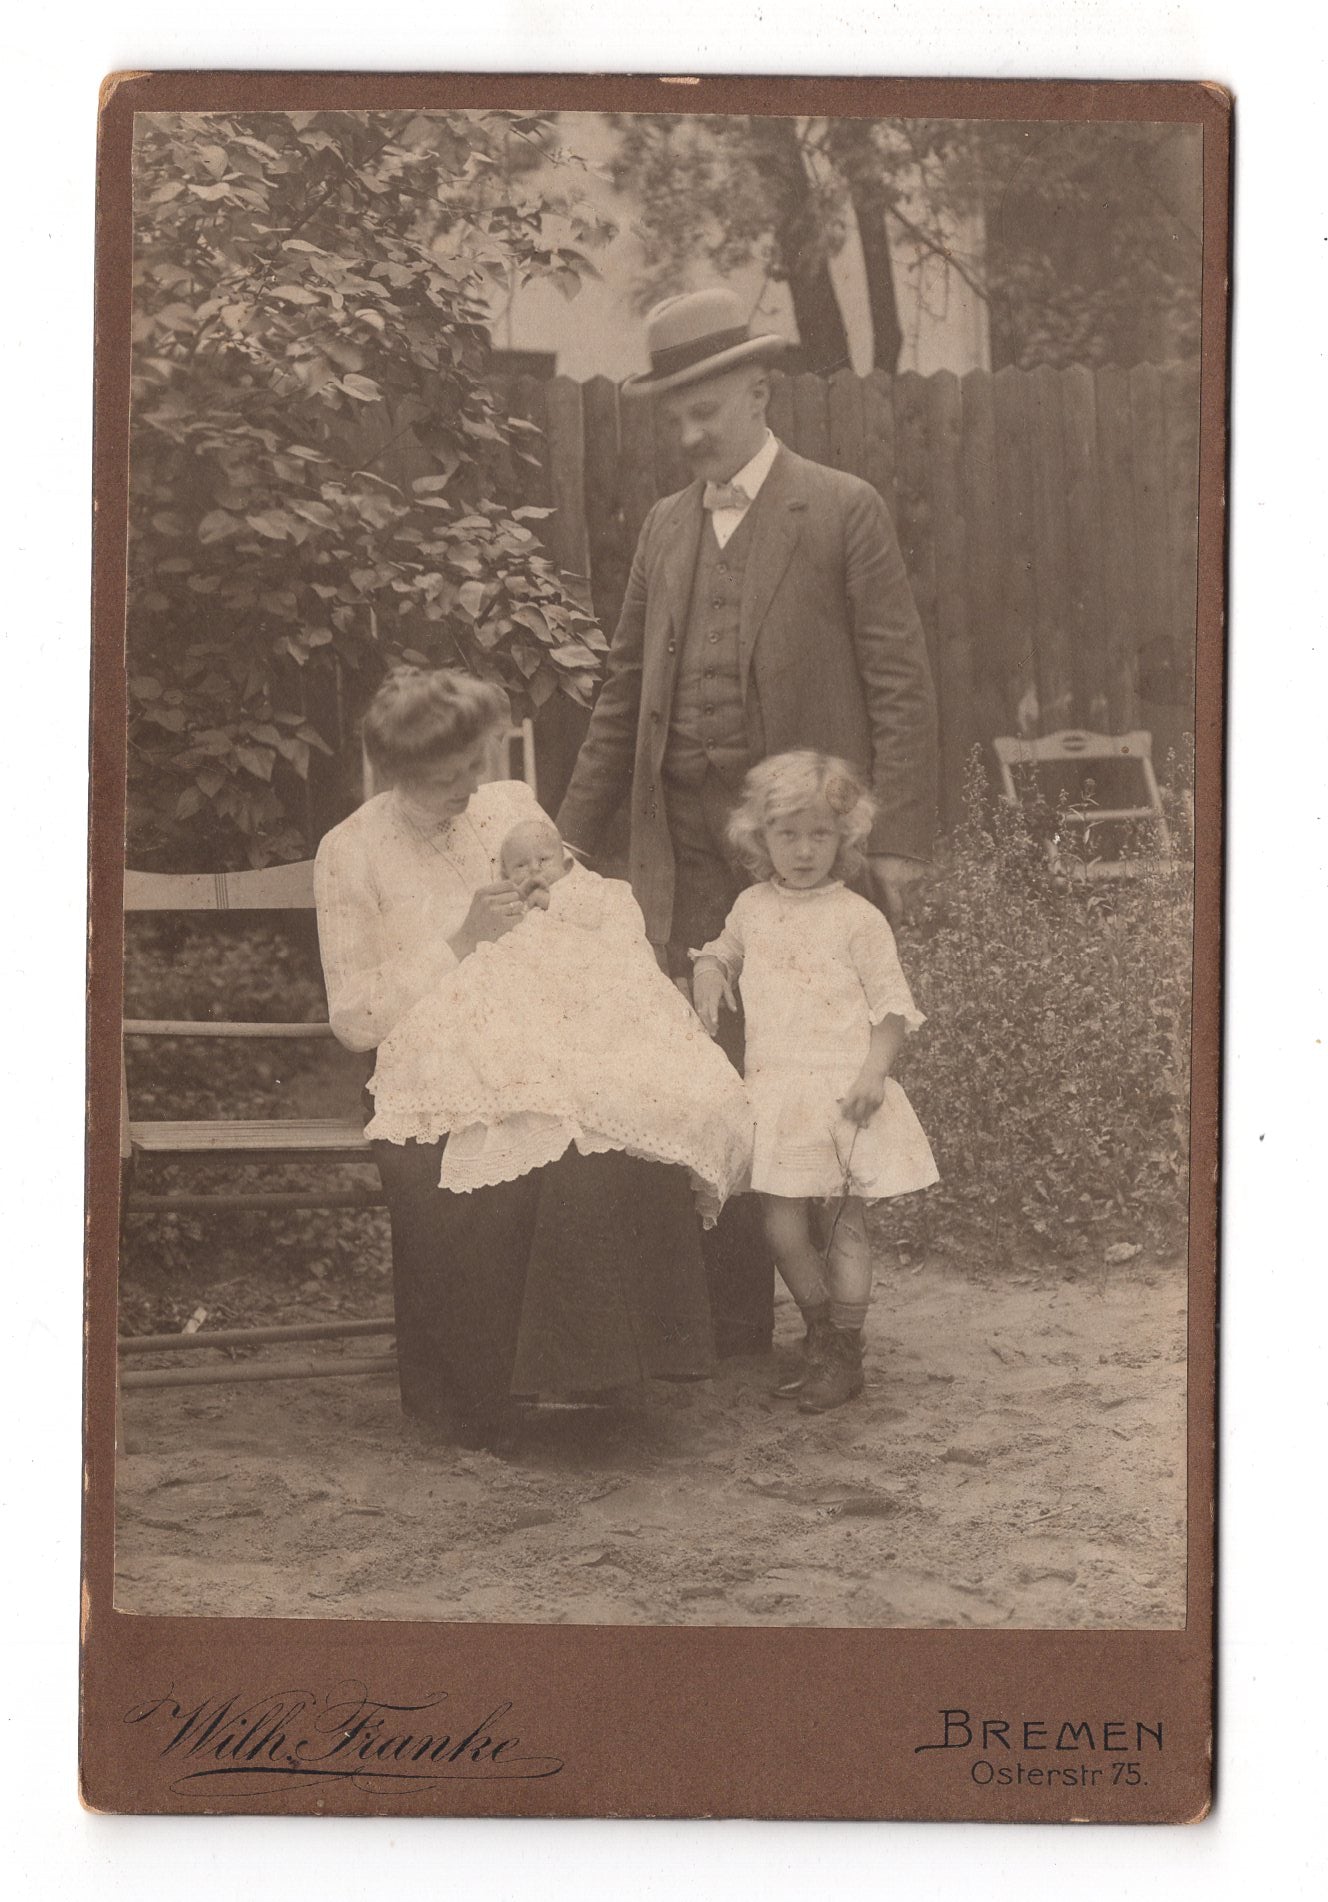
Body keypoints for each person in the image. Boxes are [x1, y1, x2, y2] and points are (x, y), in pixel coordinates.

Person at [556, 285, 939, 1352]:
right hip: (675, 851)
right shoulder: (663, 530)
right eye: (673, 418)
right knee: (701, 1071)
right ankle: (724, 1327)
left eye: (704, 412)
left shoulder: (841, 508)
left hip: (800, 856)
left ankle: (828, 1321)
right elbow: (622, 690)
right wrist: (569, 841)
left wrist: (897, 836)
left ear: (758, 391)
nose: (688, 436)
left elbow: (899, 682)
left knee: (803, 1074)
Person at [314, 667, 715, 1450]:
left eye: (478, 762)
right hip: (427, 1061)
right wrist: (458, 944)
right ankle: (492, 1397)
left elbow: (585, 900)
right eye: (449, 776)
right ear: (399, 773)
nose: (473, 785)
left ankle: (600, 1378)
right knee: (485, 1157)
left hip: (547, 1027)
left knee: (615, 1118)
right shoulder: (350, 851)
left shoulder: (507, 807)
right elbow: (354, 1017)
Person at [692, 752, 938, 1412]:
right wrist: (711, 969)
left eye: (820, 835)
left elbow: (892, 1009)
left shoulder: (857, 917)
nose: (803, 851)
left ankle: (843, 1351)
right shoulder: (750, 905)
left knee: (847, 1222)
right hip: (777, 1090)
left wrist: (873, 1073)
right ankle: (823, 1328)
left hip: (842, 1092)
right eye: (787, 834)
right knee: (780, 1226)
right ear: (759, 837)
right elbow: (723, 948)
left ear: (845, 839)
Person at [365, 815, 752, 1229]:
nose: (533, 871)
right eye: (520, 866)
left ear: (565, 861)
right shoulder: (505, 904)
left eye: (543, 859)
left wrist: (556, 904)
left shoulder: (589, 893)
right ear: (504, 873)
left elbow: (623, 936)